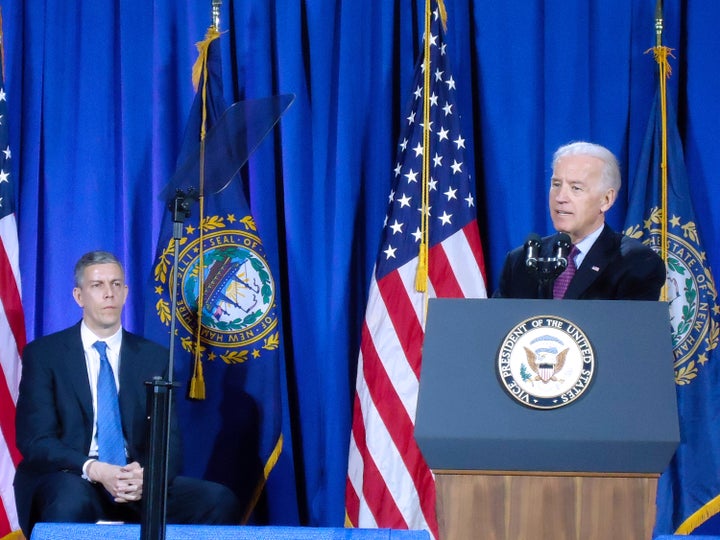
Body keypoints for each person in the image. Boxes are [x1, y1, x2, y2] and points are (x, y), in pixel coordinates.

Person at [14, 251, 240, 537]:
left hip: (134, 482)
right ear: (79, 296)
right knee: (68, 501)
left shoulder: (153, 357)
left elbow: (169, 443)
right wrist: (95, 469)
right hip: (72, 475)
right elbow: (35, 440)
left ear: (125, 293)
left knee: (218, 500)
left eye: (116, 284)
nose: (109, 294)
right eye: (97, 286)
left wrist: (146, 476)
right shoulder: (45, 355)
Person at [495, 141, 665, 300]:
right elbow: (498, 328)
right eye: (556, 184)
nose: (560, 197)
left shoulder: (636, 262)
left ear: (606, 199)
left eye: (576, 188)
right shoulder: (521, 260)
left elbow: (632, 330)